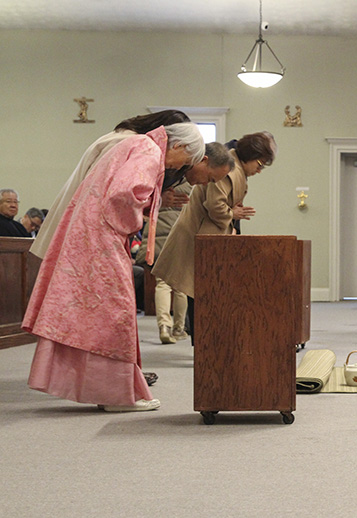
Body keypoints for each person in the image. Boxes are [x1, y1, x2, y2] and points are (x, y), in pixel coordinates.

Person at [24, 122, 205, 412]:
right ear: (179, 147)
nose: (180, 168)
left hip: (87, 234)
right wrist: (138, 220)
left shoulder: (134, 143)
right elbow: (124, 194)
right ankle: (115, 396)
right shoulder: (148, 151)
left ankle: (109, 390)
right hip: (103, 238)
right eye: (185, 161)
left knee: (94, 316)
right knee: (114, 315)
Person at [153, 131, 277, 344]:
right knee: (199, 291)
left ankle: (201, 341)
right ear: (250, 155)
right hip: (202, 235)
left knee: (198, 291)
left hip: (206, 235)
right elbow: (215, 205)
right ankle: (202, 344)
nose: (260, 169)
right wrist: (232, 215)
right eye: (260, 163)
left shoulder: (234, 167)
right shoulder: (230, 168)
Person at [31, 110, 191, 259]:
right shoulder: (128, 143)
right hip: (87, 225)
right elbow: (113, 194)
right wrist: (155, 201)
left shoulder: (124, 137)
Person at [136, 142, 234, 344]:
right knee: (178, 285)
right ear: (203, 160)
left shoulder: (183, 177)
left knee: (167, 283)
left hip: (160, 233)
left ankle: (168, 326)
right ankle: (178, 327)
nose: (206, 184)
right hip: (172, 233)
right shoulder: (169, 170)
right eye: (209, 178)